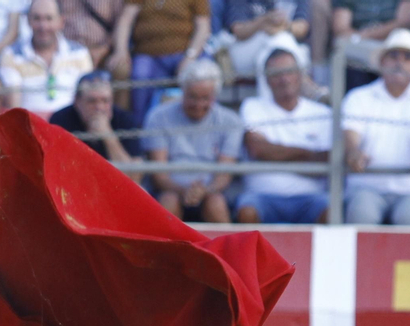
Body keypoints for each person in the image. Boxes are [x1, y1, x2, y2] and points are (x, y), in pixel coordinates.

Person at [342, 30, 410, 225]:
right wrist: (353, 152)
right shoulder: (358, 96)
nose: (400, 62)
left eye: (408, 57)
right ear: (382, 63)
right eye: (393, 56)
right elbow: (350, 134)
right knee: (361, 216)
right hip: (367, 187)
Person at [236, 49, 334, 223]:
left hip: (311, 199)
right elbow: (258, 149)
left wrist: (274, 155)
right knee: (247, 211)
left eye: (289, 72)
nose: (284, 79)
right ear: (266, 79)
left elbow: (326, 160)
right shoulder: (252, 106)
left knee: (332, 211)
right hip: (262, 197)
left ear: (300, 74)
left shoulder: (323, 113)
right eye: (276, 74)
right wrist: (307, 154)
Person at [143, 59, 242, 222]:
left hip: (212, 193)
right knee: (169, 201)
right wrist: (185, 191)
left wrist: (204, 191)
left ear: (214, 96)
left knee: (215, 203)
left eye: (205, 98)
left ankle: (226, 247)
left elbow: (224, 175)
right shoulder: (158, 117)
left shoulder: (230, 121)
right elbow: (159, 176)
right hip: (169, 191)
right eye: (192, 97)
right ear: (183, 91)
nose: (198, 104)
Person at [113, 0, 213, 123]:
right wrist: (121, 50)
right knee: (140, 76)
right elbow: (126, 19)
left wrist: (190, 57)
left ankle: (207, 123)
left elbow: (203, 27)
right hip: (148, 54)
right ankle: (140, 125)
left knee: (202, 76)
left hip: (183, 53)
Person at [0, 0, 96, 116]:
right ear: (28, 21)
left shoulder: (80, 54)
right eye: (37, 18)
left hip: (70, 129)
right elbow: (13, 107)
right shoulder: (11, 55)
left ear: (61, 21)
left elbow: (87, 99)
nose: (43, 26)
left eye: (49, 18)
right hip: (29, 129)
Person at [220, 0, 310, 98]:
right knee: (278, 38)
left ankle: (269, 104)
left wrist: (283, 27)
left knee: (278, 39)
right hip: (244, 52)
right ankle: (306, 86)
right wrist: (263, 21)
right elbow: (239, 31)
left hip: (279, 45)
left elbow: (302, 28)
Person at [48, 70, 142, 162]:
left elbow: (134, 175)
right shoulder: (59, 120)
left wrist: (108, 136)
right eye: (92, 101)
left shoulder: (125, 120)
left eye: (105, 100)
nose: (99, 107)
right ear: (77, 101)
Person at [330, 0, 410, 79]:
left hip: (395, 46)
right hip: (359, 51)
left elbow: (406, 20)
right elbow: (341, 31)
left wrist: (362, 36)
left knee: (398, 57)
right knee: (345, 52)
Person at [58, 0, 130, 73]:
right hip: (67, 51)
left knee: (121, 68)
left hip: (102, 51)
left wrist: (104, 49)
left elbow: (119, 25)